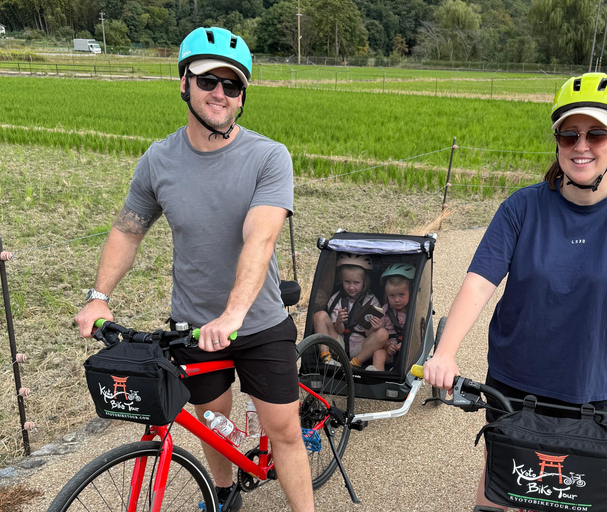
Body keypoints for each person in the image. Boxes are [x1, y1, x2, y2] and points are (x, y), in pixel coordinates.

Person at [422, 73, 607, 510]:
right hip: (513, 382)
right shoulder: (522, 207)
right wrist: (444, 352)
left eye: (596, 133)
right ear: (557, 139)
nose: (581, 145)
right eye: (569, 133)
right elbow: (478, 282)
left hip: (591, 392)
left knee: (578, 496)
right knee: (504, 486)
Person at [74, 27, 314, 512]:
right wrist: (98, 293)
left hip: (258, 321)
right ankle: (223, 493)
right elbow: (128, 230)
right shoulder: (159, 160)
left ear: (242, 95)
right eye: (208, 81)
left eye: (231, 84)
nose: (219, 93)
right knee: (210, 420)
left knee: (284, 429)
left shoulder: (268, 157)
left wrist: (233, 314)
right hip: (193, 326)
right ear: (183, 82)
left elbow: (260, 237)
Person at [312, 253, 387, 370]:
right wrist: (338, 322)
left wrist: (374, 328)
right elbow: (339, 330)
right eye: (347, 282)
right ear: (341, 280)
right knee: (319, 315)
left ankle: (355, 363)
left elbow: (368, 334)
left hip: (360, 347)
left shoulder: (372, 301)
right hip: (339, 344)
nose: (351, 287)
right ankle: (326, 357)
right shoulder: (335, 299)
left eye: (356, 283)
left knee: (382, 333)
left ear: (365, 281)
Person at [372, 263, 415, 371]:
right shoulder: (385, 310)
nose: (396, 300)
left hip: (407, 351)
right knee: (378, 354)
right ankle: (378, 380)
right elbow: (376, 334)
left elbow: (418, 335)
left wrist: (405, 343)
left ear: (410, 293)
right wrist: (387, 345)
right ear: (387, 296)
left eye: (401, 295)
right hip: (389, 350)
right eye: (392, 296)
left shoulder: (413, 311)